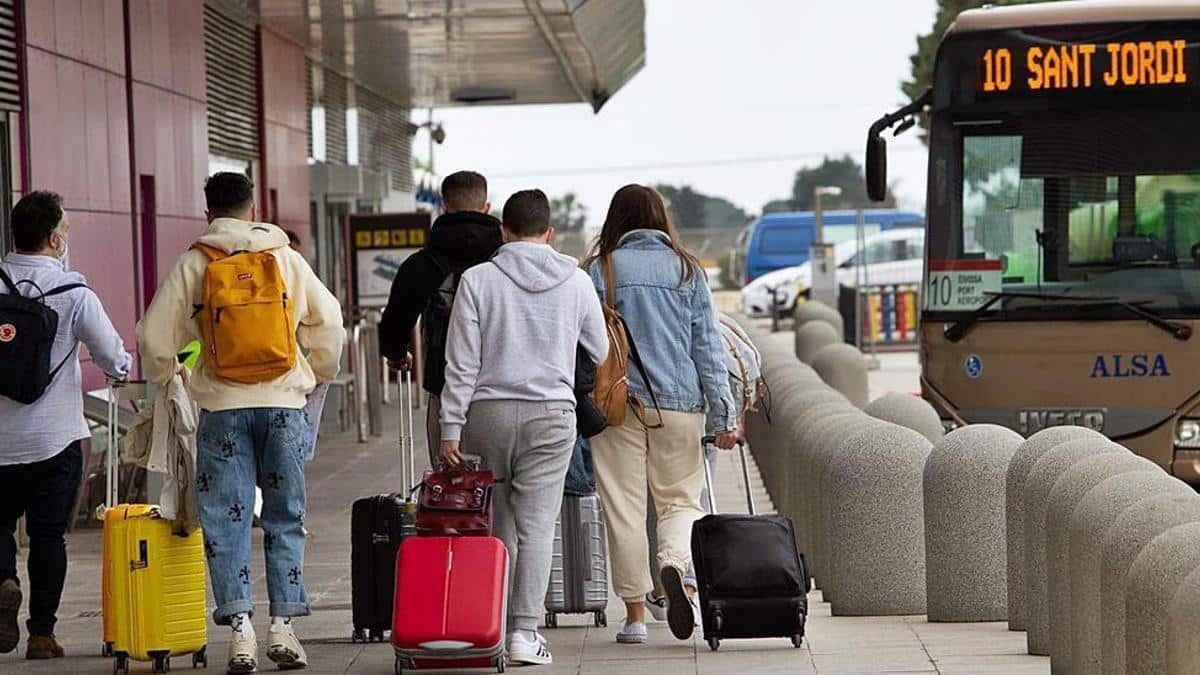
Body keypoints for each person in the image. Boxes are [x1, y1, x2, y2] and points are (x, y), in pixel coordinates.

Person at [137, 172, 344, 673]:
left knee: (226, 523)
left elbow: (152, 337)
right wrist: (316, 372)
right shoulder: (286, 259)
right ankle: (284, 629)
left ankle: (241, 632)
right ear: (253, 210)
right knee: (284, 515)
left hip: (222, 410)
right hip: (284, 409)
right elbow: (330, 320)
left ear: (208, 212)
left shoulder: (196, 263)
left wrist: (171, 377)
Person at [438, 189, 607, 666]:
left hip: (487, 417)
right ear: (549, 233)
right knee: (536, 527)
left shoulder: (477, 280)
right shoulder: (575, 282)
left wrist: (450, 428)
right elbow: (601, 349)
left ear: (504, 231)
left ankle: (487, 622)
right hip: (551, 417)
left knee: (495, 525)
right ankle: (523, 634)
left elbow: (461, 364)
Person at [582, 184, 737, 644]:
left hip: (615, 405)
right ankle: (672, 565)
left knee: (624, 507)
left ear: (615, 221)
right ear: (660, 219)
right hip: (680, 404)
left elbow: (585, 346)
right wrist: (724, 416)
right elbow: (708, 348)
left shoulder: (597, 271)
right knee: (681, 500)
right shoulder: (688, 270)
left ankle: (633, 618)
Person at [0, 191, 132, 660]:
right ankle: (41, 635)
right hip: (54, 440)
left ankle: (3, 579)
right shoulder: (74, 293)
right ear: (54, 240)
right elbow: (114, 358)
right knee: (48, 536)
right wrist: (123, 366)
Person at [379, 171, 503, 466]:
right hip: (504, 388)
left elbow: (395, 323)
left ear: (444, 206)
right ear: (486, 207)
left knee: (453, 494)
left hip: (444, 388)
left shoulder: (422, 264)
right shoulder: (504, 258)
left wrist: (397, 355)